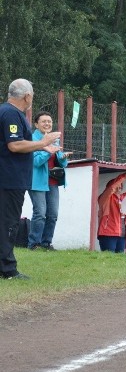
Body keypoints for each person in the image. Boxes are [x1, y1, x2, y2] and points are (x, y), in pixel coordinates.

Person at [0, 79, 61, 279]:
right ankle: (7, 270)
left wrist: (42, 147)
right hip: (10, 179)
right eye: (32, 96)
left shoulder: (6, 111)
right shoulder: (11, 113)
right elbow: (14, 145)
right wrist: (43, 141)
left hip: (9, 177)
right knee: (9, 224)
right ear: (27, 96)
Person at [28, 111, 71, 251]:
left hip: (53, 182)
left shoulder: (55, 139)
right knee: (40, 213)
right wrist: (48, 151)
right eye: (44, 121)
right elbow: (35, 162)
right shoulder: (32, 140)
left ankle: (47, 243)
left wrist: (63, 158)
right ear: (36, 124)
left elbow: (62, 164)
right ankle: (34, 243)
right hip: (37, 182)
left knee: (52, 214)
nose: (47, 124)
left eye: (49, 122)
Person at [97, 170, 126, 252]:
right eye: (118, 185)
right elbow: (111, 189)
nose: (119, 187)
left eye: (121, 185)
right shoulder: (104, 198)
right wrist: (125, 176)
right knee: (108, 259)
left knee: (118, 260)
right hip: (107, 234)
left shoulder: (124, 197)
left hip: (122, 234)